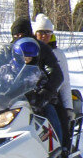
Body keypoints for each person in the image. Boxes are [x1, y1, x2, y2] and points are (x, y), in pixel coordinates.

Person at [10, 18, 67, 148]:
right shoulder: (10, 49)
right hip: (14, 97)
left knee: (51, 114)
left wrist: (45, 93)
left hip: (39, 96)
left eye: (22, 35)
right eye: (16, 35)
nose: (19, 38)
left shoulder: (42, 48)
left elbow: (56, 74)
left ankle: (59, 150)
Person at [32, 13, 73, 146]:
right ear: (35, 33)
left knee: (57, 122)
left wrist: (68, 107)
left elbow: (64, 82)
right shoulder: (29, 50)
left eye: (47, 32)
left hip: (52, 97)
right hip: (30, 96)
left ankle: (62, 150)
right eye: (41, 32)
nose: (44, 36)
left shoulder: (58, 54)